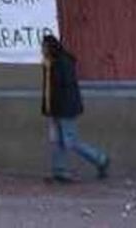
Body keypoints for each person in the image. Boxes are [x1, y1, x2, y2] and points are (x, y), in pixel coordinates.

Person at [41, 33, 110, 183]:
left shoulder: (62, 62)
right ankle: (60, 171)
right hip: (55, 107)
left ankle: (100, 158)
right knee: (57, 140)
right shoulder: (51, 63)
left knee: (70, 140)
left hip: (65, 107)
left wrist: (50, 68)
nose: (42, 51)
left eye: (44, 47)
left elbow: (62, 85)